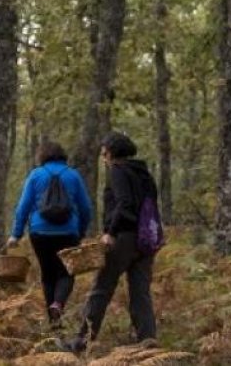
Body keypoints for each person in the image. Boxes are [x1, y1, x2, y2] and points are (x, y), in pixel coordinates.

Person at [63, 131, 159, 353]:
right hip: (145, 240)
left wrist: (110, 232)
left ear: (111, 152)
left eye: (104, 150)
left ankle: (81, 342)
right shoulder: (144, 173)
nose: (102, 155)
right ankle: (148, 342)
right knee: (140, 292)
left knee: (102, 288)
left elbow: (124, 204)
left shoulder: (118, 171)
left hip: (124, 238)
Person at [6, 141, 93, 325]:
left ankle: (54, 322)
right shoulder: (73, 175)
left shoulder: (36, 175)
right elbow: (86, 208)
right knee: (66, 273)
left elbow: (23, 207)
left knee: (47, 274)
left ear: (42, 156)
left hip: (40, 232)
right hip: (68, 232)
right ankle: (58, 304)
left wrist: (16, 234)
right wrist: (81, 231)